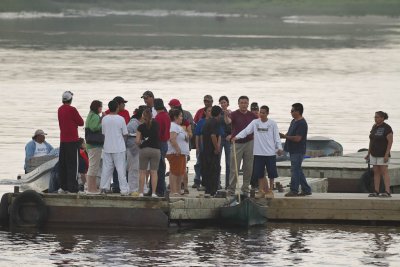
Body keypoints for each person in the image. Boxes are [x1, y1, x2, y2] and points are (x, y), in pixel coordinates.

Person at [232, 105, 283, 198]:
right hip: (258, 152)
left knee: (271, 173)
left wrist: (279, 148)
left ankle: (270, 190)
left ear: (267, 113)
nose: (261, 114)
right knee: (259, 173)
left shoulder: (272, 123)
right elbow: (246, 131)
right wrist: (237, 137)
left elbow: (277, 137)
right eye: (260, 112)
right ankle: (261, 190)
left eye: (264, 113)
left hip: (270, 152)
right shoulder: (255, 123)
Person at [225, 96, 257, 196]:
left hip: (249, 143)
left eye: (245, 103)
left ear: (248, 104)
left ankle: (245, 188)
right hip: (237, 143)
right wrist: (226, 115)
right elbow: (228, 122)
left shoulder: (253, 115)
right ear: (238, 104)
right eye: (241, 102)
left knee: (248, 167)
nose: (243, 104)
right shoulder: (233, 114)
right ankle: (231, 189)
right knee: (234, 167)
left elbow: (259, 126)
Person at [280, 103, 312, 197]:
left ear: (298, 111)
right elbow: (290, 132)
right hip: (292, 149)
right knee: (298, 169)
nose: (291, 112)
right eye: (291, 110)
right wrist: (282, 137)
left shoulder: (302, 123)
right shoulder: (294, 121)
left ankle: (294, 190)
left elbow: (298, 138)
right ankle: (306, 189)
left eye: (293, 110)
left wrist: (285, 136)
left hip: (298, 150)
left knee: (295, 170)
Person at [100, 100, 130, 196]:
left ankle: (104, 188)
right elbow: (125, 133)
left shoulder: (104, 119)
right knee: (121, 169)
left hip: (107, 147)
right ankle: (124, 190)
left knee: (106, 169)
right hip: (119, 148)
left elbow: (103, 133)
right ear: (117, 108)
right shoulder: (121, 119)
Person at [57, 91, 84, 193]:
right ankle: (72, 188)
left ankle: (63, 187)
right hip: (72, 141)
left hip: (63, 140)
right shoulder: (72, 109)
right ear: (70, 99)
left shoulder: (60, 109)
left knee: (63, 164)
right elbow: (81, 122)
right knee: (73, 165)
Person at [365, 111, 393, 197]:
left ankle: (387, 191)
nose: (375, 118)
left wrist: (386, 154)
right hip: (374, 153)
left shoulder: (387, 128)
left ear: (382, 118)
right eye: (375, 117)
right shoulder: (374, 127)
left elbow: (390, 142)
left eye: (377, 117)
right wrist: (368, 153)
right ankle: (376, 191)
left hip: (382, 154)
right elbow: (371, 141)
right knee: (376, 172)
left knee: (384, 172)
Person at [136, 108, 160, 197]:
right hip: (156, 150)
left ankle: (141, 192)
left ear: (143, 117)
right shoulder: (157, 124)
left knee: (142, 172)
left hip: (144, 150)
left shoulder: (140, 127)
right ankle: (153, 193)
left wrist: (140, 146)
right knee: (154, 172)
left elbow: (137, 141)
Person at [166, 108, 190, 196]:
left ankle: (178, 190)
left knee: (180, 172)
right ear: (175, 117)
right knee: (174, 172)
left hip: (181, 154)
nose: (182, 118)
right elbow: (172, 138)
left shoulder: (178, 126)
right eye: (180, 116)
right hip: (175, 153)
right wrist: (178, 149)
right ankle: (174, 190)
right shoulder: (173, 126)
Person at [201, 105, 222, 196]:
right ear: (219, 114)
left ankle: (208, 190)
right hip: (212, 151)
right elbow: (213, 136)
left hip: (206, 150)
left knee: (208, 171)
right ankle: (213, 191)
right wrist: (217, 148)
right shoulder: (215, 122)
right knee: (214, 171)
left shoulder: (207, 122)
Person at [126, 105, 146, 195]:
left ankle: (142, 188)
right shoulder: (133, 123)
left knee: (141, 170)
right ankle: (132, 189)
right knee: (133, 169)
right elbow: (126, 135)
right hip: (132, 149)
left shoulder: (143, 123)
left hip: (141, 150)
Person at [85, 100, 103, 194]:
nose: (101, 108)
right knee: (93, 167)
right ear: (97, 107)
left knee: (92, 166)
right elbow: (94, 127)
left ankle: (91, 188)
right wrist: (102, 121)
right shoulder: (95, 116)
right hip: (94, 145)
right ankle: (91, 189)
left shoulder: (90, 115)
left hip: (90, 145)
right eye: (100, 107)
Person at [154, 98, 171, 196]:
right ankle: (161, 188)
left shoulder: (158, 117)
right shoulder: (167, 115)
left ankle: (160, 189)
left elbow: (157, 132)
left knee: (158, 167)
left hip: (159, 142)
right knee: (161, 166)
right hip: (165, 142)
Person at [193, 106, 212, 189]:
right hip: (202, 146)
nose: (210, 112)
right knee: (200, 164)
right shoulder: (201, 122)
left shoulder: (214, 121)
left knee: (211, 165)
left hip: (211, 147)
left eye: (211, 111)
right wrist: (197, 147)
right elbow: (197, 135)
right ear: (205, 112)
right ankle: (198, 181)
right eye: (208, 111)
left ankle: (210, 182)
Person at [218, 96, 232, 189]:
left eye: (224, 102)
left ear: (227, 103)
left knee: (229, 162)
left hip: (228, 139)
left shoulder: (231, 113)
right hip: (219, 138)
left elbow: (232, 125)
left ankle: (228, 184)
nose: (223, 104)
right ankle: (217, 183)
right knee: (217, 161)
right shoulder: (218, 113)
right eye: (221, 103)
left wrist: (231, 135)